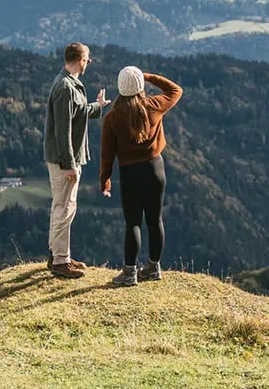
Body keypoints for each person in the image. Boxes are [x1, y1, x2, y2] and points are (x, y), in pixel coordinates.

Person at [100, 65, 182, 287]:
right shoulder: (154, 106)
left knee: (133, 223)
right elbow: (176, 90)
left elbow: (107, 154)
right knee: (155, 220)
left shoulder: (112, 118)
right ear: (140, 86)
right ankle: (153, 267)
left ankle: (129, 273)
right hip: (155, 169)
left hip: (130, 174)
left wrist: (105, 179)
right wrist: (148, 77)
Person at [43, 42, 109, 278]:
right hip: (64, 160)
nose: (88, 64)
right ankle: (61, 262)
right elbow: (63, 130)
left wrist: (98, 106)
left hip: (65, 158)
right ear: (81, 60)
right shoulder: (65, 87)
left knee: (62, 206)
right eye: (88, 60)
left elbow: (77, 112)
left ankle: (58, 255)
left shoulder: (68, 84)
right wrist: (70, 164)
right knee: (65, 207)